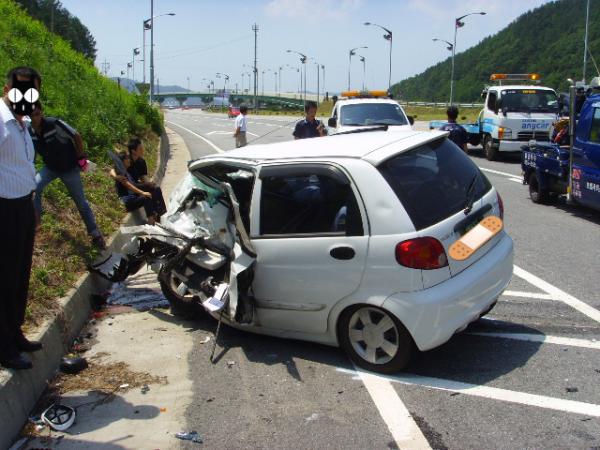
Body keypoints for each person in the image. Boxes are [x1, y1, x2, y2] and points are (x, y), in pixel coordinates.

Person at [0, 67, 44, 370]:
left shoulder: (22, 124)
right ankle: (3, 347)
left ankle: (14, 333)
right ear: (7, 88)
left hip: (22, 207)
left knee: (19, 276)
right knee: (4, 279)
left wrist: (32, 206)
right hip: (4, 209)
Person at [29, 103, 106, 249]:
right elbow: (31, 152)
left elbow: (76, 135)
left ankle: (95, 233)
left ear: (42, 113)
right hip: (50, 168)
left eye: (37, 114)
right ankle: (36, 224)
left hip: (69, 168)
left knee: (81, 202)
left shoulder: (54, 124)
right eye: (32, 115)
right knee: (35, 187)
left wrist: (81, 157)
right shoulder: (29, 131)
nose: (35, 118)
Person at [115, 137, 166, 219]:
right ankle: (155, 217)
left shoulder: (141, 162)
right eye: (140, 148)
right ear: (133, 151)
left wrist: (150, 185)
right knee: (149, 191)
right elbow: (113, 170)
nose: (143, 150)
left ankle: (160, 214)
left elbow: (144, 178)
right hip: (129, 190)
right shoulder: (126, 160)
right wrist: (116, 176)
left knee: (156, 189)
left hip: (136, 186)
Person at [112, 151, 162, 225]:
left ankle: (157, 216)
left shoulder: (124, 171)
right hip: (128, 202)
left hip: (133, 197)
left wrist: (147, 186)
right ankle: (151, 223)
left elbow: (134, 185)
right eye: (127, 158)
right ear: (123, 162)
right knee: (146, 197)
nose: (129, 160)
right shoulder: (121, 174)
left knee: (154, 190)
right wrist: (142, 192)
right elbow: (129, 186)